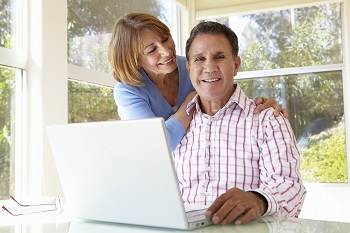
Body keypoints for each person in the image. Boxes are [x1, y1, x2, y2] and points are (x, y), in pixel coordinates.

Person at [172, 21, 306, 226]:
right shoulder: (176, 128)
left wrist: (259, 200)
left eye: (219, 57)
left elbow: (290, 187)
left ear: (235, 65)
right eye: (199, 59)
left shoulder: (268, 120)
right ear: (189, 68)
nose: (209, 67)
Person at [108, 12, 287, 151]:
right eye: (152, 49)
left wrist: (261, 106)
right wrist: (190, 102)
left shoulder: (193, 65)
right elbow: (156, 145)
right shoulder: (128, 91)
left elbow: (226, 99)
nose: (166, 51)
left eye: (165, 39)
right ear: (134, 59)